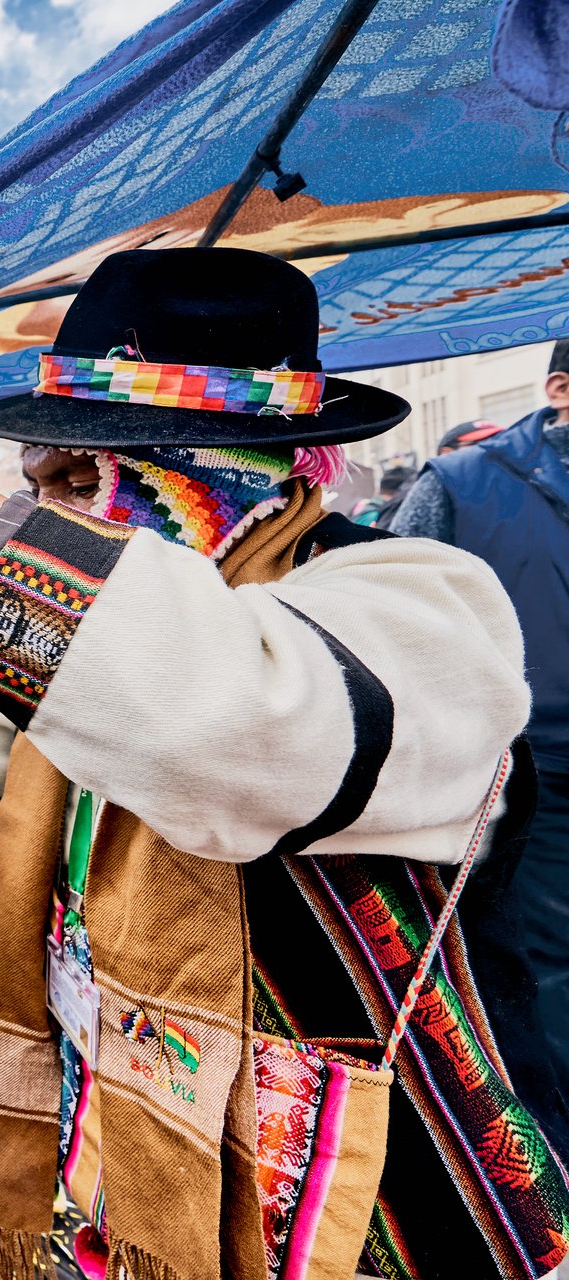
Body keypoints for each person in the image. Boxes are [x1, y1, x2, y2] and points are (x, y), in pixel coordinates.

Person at [0, 248, 569, 1280]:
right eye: (37, 476)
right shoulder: (107, 654)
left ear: (206, 477)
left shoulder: (421, 601)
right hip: (130, 1165)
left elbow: (225, 722)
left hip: (362, 1215)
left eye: (75, 477)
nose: (39, 499)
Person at [392, 339, 569, 1158]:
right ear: (560, 388)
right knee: (544, 974)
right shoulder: (460, 488)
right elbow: (393, 637)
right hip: (530, 779)